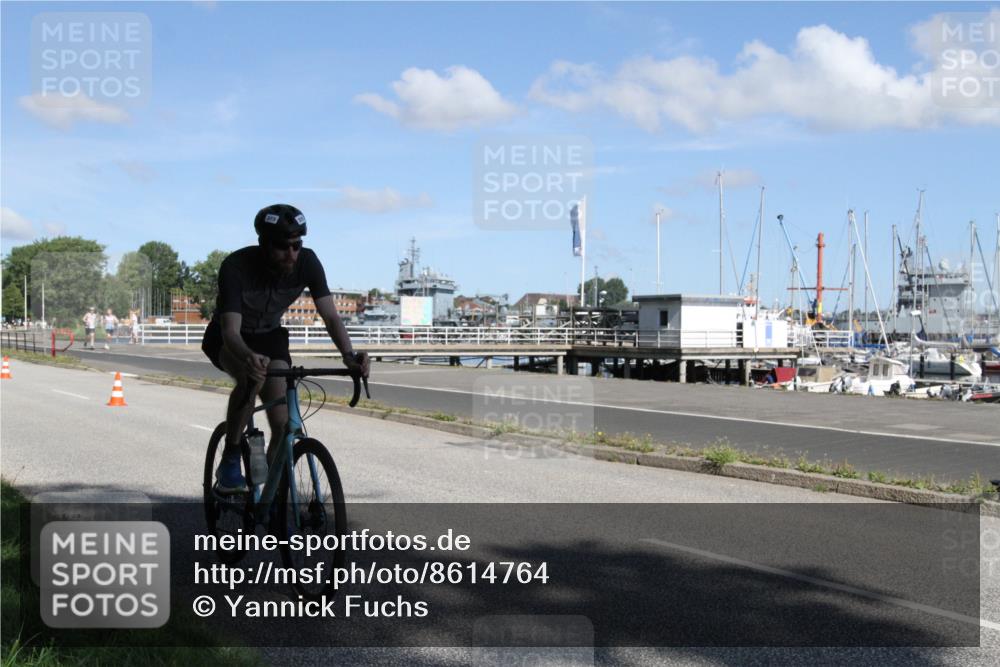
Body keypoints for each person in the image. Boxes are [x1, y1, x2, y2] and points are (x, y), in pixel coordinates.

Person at [201, 203, 369, 492]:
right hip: (230, 337)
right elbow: (230, 331)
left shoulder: (308, 262)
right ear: (263, 244)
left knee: (282, 424)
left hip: (270, 336)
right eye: (282, 247)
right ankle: (230, 456)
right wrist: (248, 357)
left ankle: (272, 501)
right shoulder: (235, 267)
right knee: (251, 377)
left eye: (296, 245)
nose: (291, 254)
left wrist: (349, 356)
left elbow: (330, 316)